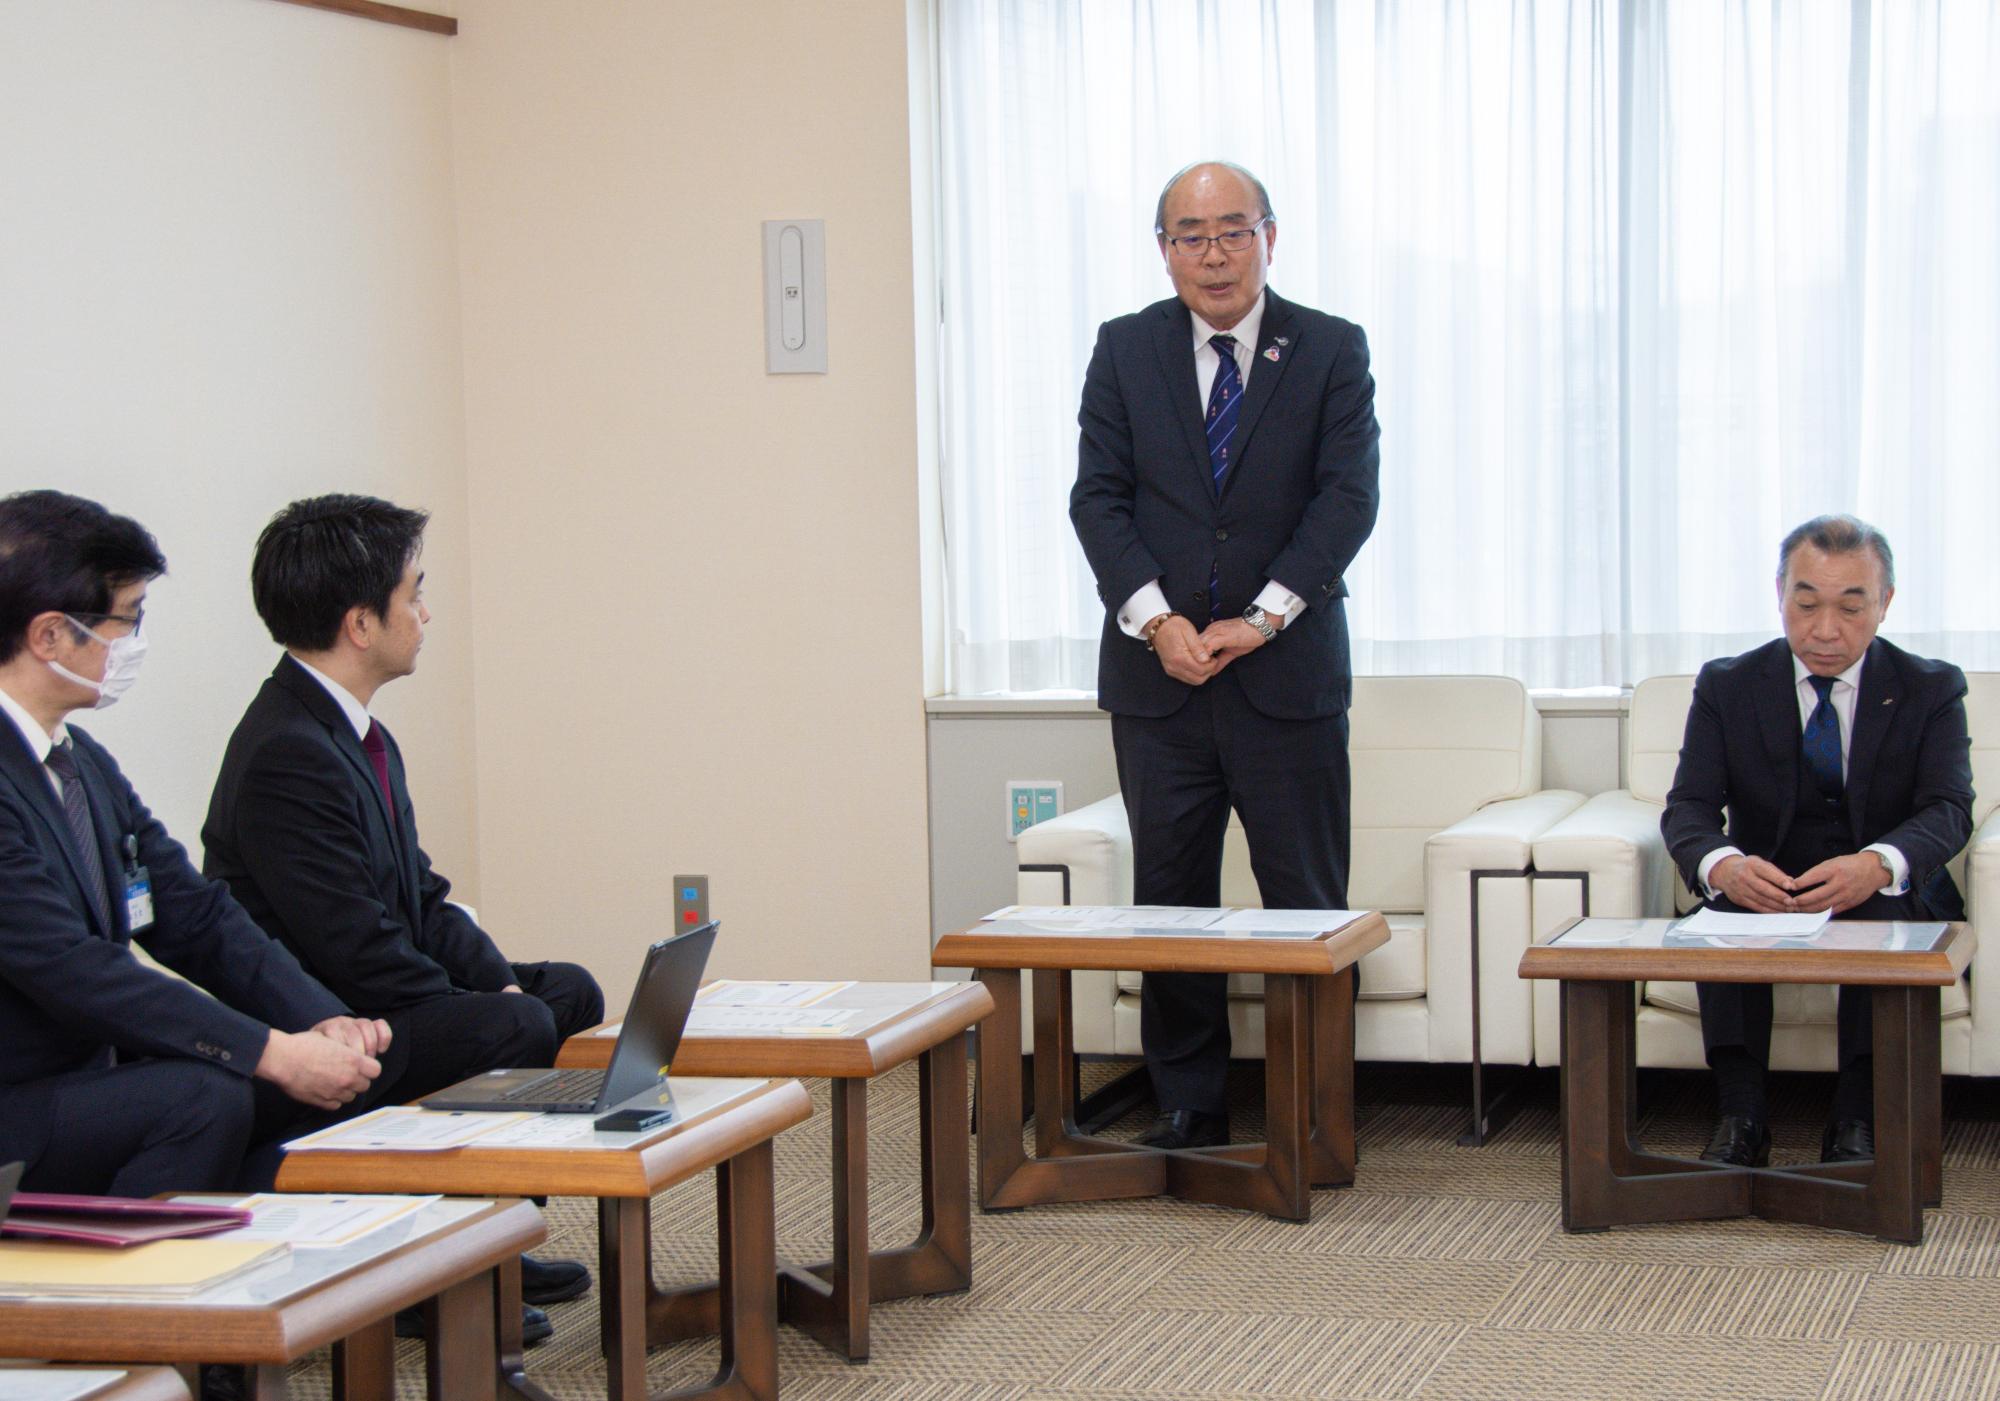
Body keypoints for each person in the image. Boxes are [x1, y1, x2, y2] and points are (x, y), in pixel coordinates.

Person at [202, 493, 600, 1313]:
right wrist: (491, 1008)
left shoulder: (354, 733)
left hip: (378, 993)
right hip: (330, 1024)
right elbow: (356, 950)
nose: (424, 612)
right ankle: (440, 1268)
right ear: (360, 624)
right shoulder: (288, 752)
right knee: (514, 1024)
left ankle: (490, 1236)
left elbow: (422, 896)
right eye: (413, 593)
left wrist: (501, 983)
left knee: (565, 992)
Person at [1069, 161, 1381, 1149]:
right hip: (1158, 685)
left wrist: (1266, 617)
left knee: (1305, 900)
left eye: (1231, 231)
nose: (1213, 254)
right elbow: (1097, 500)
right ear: (1163, 250)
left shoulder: (1329, 349)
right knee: (1171, 903)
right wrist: (1157, 622)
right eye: (1190, 236)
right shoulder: (1124, 351)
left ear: (1269, 237)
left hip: (1284, 678)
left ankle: (1314, 1108)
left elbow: (1346, 499)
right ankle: (1187, 1103)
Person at [0, 490, 391, 1198]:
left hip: (81, 1085)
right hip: (17, 1099)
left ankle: (312, 1288)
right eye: (128, 618)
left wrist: (320, 1019)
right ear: (49, 635)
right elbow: (72, 966)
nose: (134, 643)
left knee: (317, 1084)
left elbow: (192, 913)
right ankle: (113, 1304)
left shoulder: (80, 760)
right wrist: (269, 1049)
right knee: (205, 1096)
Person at [1663, 514, 1974, 1168]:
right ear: (1779, 592)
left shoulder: (1931, 687)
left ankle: (1857, 1118)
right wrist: (1724, 865)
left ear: (1885, 603)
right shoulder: (1728, 684)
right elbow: (1689, 807)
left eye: (1849, 607)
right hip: (1767, 882)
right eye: (1806, 604)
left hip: (1881, 888)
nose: (1824, 629)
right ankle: (1741, 1114)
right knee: (1725, 919)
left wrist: (1877, 863)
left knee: (1882, 919)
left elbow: (1948, 808)